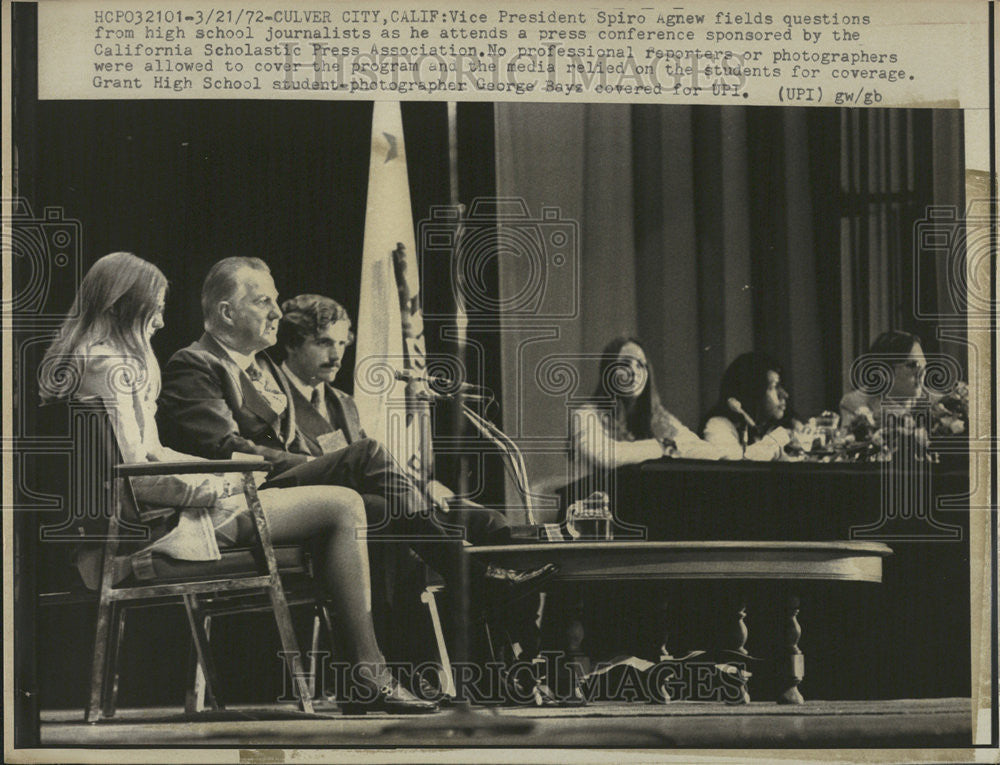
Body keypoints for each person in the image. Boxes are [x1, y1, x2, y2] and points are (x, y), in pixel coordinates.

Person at [40, 252, 436, 713]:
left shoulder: (96, 362)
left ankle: (365, 675)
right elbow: (137, 479)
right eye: (156, 309)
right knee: (345, 505)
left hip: (165, 516)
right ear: (124, 308)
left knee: (353, 504)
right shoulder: (111, 367)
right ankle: (369, 674)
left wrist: (227, 478)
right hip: (159, 532)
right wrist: (225, 486)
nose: (162, 322)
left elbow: (152, 456)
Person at [155, 257, 555, 612]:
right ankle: (468, 582)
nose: (276, 312)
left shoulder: (253, 367)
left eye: (276, 301)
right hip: (240, 498)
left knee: (394, 509)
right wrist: (320, 465)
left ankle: (479, 649)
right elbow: (225, 450)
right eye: (263, 302)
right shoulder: (195, 363)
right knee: (366, 457)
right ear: (226, 312)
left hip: (282, 489)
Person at [274, 293, 511, 545]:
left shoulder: (344, 402)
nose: (336, 356)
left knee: (487, 520)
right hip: (318, 506)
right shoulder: (270, 392)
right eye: (324, 343)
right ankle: (467, 571)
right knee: (384, 510)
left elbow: (380, 469)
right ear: (292, 343)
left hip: (381, 499)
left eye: (342, 343)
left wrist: (424, 484)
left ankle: (504, 581)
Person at [572, 337, 722, 469]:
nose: (634, 371)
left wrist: (667, 446)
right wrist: (664, 446)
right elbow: (605, 455)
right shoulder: (585, 415)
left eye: (640, 365)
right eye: (625, 363)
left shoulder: (660, 417)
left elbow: (710, 452)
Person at [700, 351, 795, 461]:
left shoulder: (765, 428)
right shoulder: (717, 426)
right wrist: (776, 441)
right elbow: (736, 466)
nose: (785, 395)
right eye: (774, 387)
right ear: (752, 392)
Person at [840, 331, 927, 424]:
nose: (922, 373)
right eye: (914, 365)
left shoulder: (937, 402)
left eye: (924, 365)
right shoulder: (856, 403)